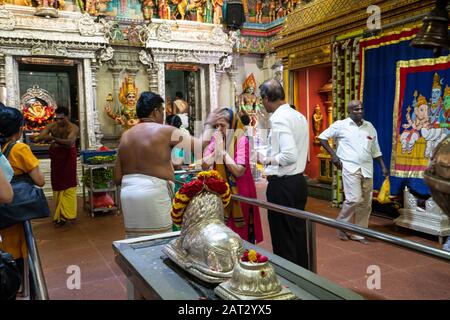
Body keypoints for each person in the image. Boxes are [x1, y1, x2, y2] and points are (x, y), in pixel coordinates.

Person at [114, 91, 222, 238]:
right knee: (158, 241)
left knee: (135, 242)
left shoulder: (125, 136)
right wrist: (209, 123)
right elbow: (199, 147)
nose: (163, 115)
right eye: (162, 111)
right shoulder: (165, 131)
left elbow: (117, 177)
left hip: (128, 195)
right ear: (155, 111)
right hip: (153, 194)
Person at [319, 100, 389, 244]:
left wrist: (382, 166)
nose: (360, 111)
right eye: (356, 109)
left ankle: (359, 232)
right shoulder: (341, 125)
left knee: (366, 203)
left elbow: (375, 149)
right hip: (350, 167)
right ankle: (341, 223)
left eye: (361, 108)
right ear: (349, 111)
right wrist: (334, 155)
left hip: (367, 169)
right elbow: (323, 138)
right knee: (354, 199)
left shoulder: (369, 127)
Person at [258, 79, 310, 268]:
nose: (262, 104)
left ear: (266, 98)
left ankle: (289, 279)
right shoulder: (298, 116)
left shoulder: (278, 118)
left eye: (261, 99)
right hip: (297, 183)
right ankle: (304, 275)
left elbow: (289, 155)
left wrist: (265, 159)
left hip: (283, 185)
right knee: (297, 235)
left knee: (283, 237)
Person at [202, 108, 263, 244]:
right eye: (216, 126)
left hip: (239, 193)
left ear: (233, 125)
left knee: (239, 236)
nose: (218, 129)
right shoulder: (217, 139)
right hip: (221, 192)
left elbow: (238, 171)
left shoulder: (241, 140)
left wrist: (222, 152)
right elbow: (204, 165)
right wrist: (215, 152)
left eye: (222, 126)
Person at [0, 104, 45, 274]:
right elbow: (40, 180)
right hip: (15, 212)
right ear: (19, 129)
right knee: (18, 265)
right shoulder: (20, 149)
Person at [33, 107, 79, 227]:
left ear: (67, 117)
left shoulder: (73, 128)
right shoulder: (52, 126)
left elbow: (70, 143)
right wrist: (40, 137)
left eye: (61, 119)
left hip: (68, 157)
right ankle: (59, 215)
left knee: (69, 183)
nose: (58, 121)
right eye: (56, 118)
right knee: (57, 183)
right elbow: (40, 137)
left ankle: (67, 214)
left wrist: (53, 139)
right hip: (57, 158)